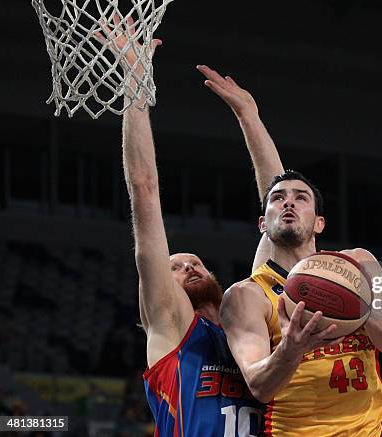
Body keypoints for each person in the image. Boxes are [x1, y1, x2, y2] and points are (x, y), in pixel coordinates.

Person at [198, 65, 382, 436]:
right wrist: (291, 348)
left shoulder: (359, 263)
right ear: (263, 224)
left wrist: (357, 307)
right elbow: (260, 387)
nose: (288, 204)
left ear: (320, 222)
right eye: (277, 200)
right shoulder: (247, 296)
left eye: (301, 198)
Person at [99, 18, 264, 436]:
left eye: (196, 263)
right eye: (177, 266)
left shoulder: (253, 331)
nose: (190, 266)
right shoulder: (172, 325)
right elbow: (145, 191)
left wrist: (250, 117)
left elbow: (278, 226)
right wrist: (135, 83)